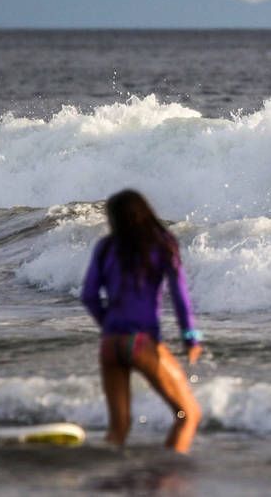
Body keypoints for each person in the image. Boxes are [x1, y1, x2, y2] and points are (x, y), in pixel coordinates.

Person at [81, 189, 203, 453]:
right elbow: (180, 296)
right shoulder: (162, 243)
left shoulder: (105, 247)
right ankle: (169, 479)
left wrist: (110, 327)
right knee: (186, 415)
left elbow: (89, 295)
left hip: (110, 344)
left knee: (119, 427)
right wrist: (190, 338)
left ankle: (110, 486)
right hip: (141, 342)